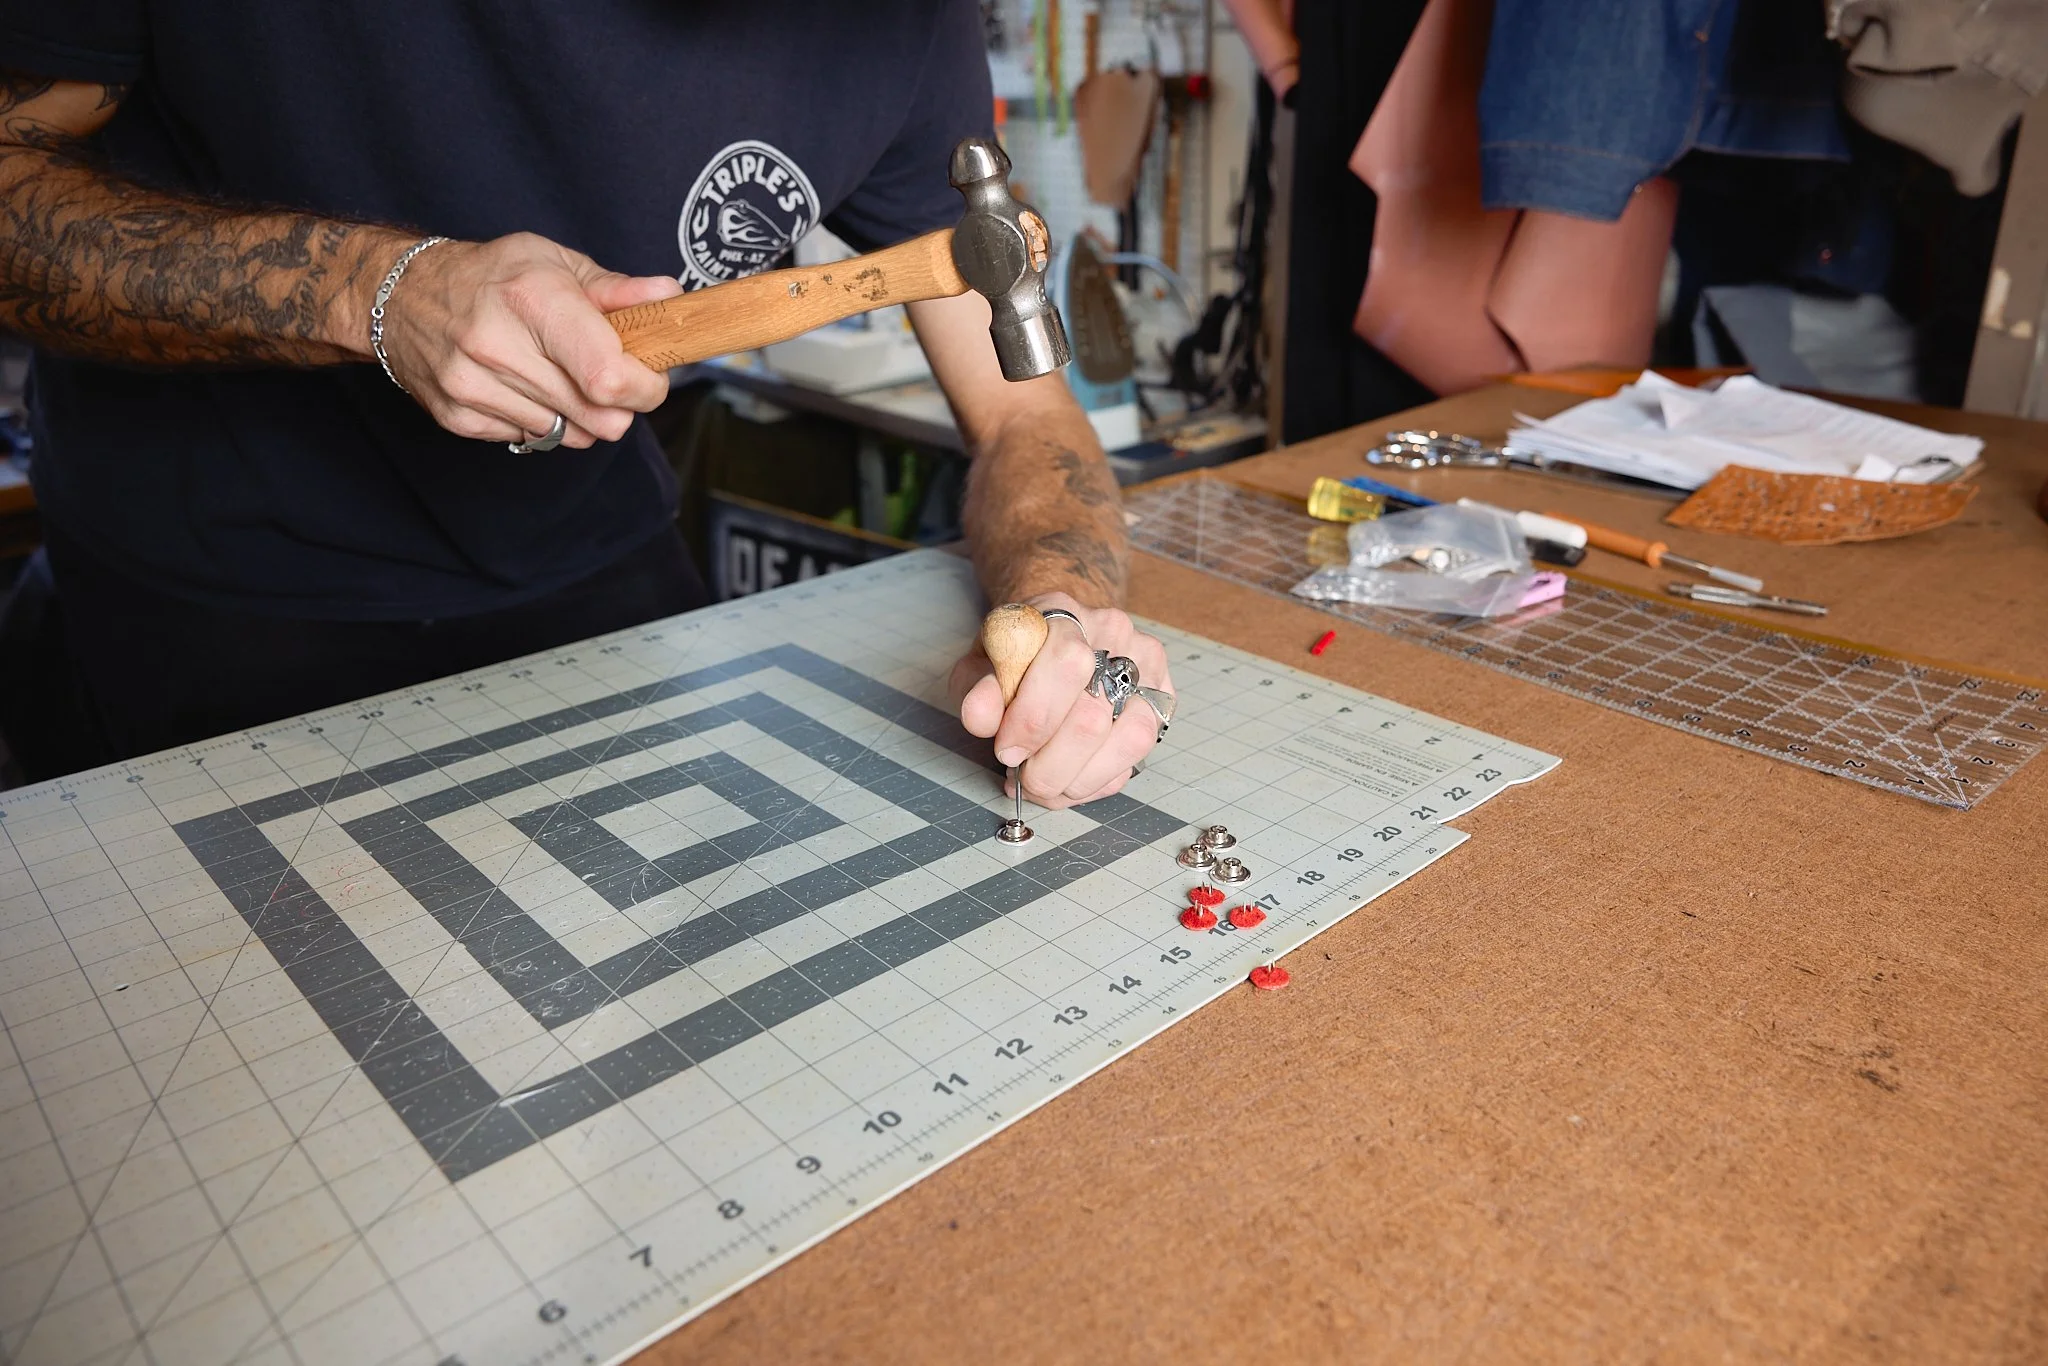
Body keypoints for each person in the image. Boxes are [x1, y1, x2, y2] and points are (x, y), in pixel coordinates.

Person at [0, 1, 1169, 808]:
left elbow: (1026, 415)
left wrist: (1058, 613)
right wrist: (373, 291)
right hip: (206, 584)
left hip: (592, 573)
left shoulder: (902, 29)